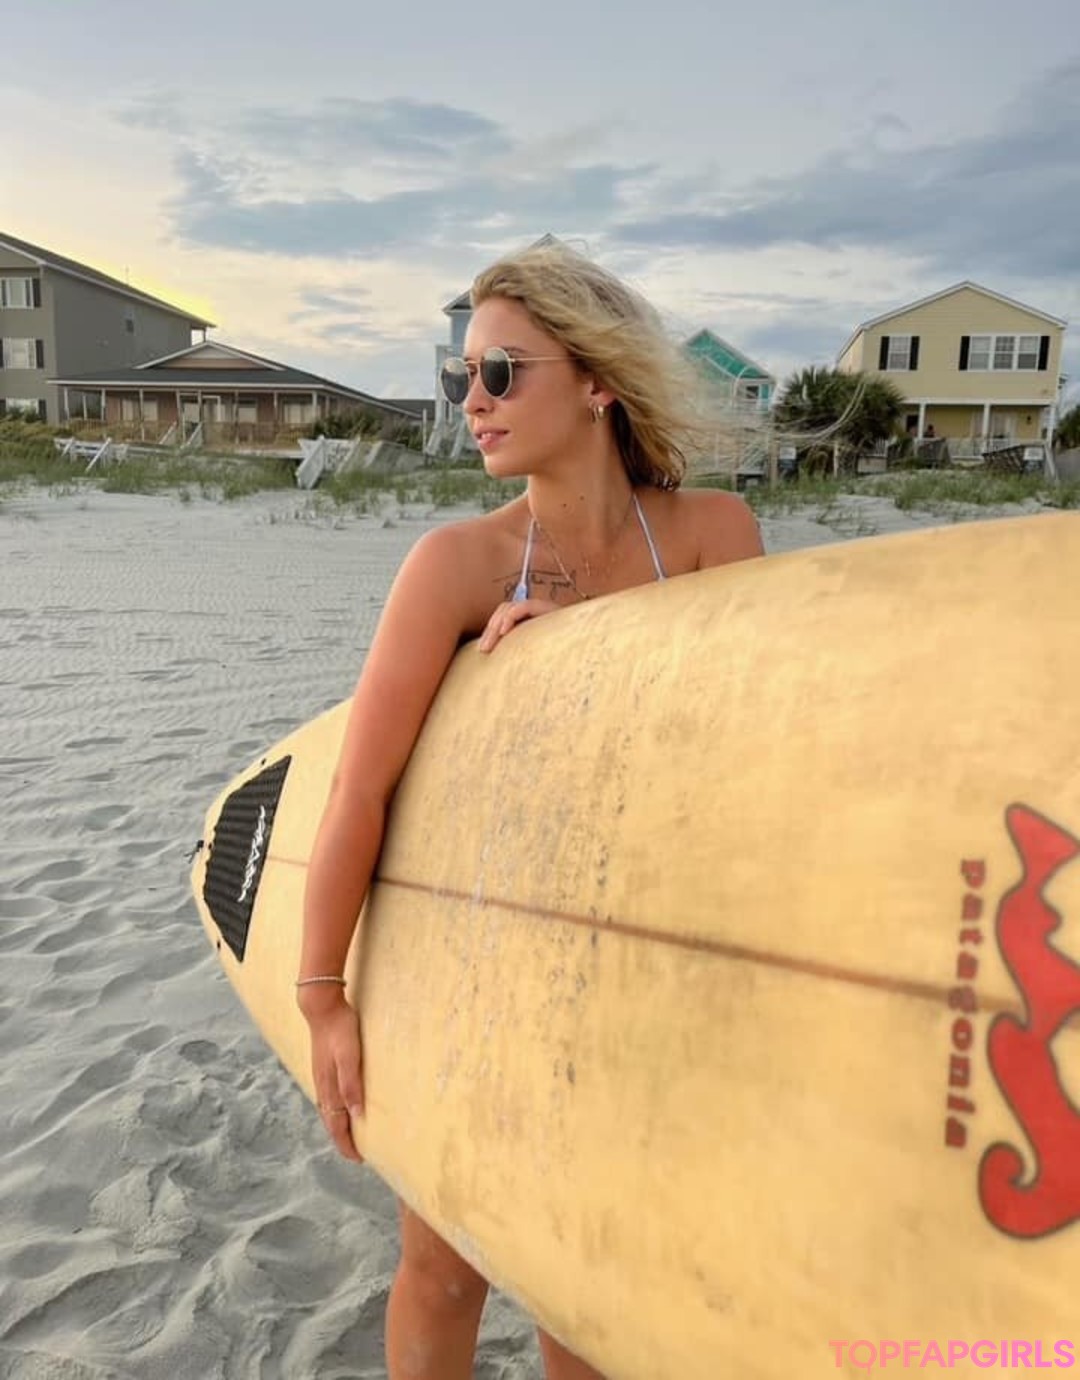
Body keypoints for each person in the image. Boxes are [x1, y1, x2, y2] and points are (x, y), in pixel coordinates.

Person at [296, 241, 764, 1380]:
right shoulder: (459, 566)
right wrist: (323, 998)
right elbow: (360, 788)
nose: (474, 401)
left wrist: (591, 664)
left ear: (596, 381)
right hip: (473, 947)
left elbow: (747, 755)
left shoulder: (713, 537)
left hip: (636, 955)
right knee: (445, 1264)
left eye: (501, 372)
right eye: (465, 375)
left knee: (578, 1280)